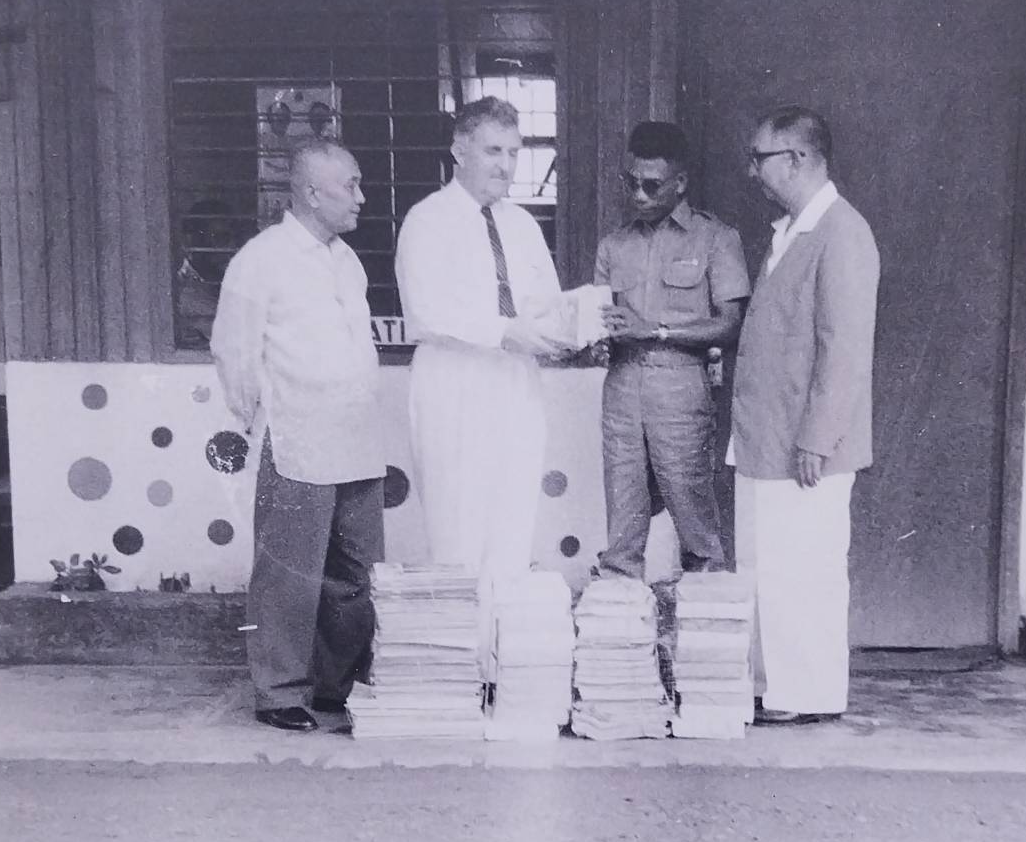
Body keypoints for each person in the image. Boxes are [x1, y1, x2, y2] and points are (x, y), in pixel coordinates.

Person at [211, 140, 385, 731]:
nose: (362, 197)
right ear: (312, 193)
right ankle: (280, 692)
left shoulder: (348, 262)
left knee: (354, 575)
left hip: (357, 440)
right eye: (351, 186)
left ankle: (337, 688)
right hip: (295, 438)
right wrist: (261, 419)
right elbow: (233, 350)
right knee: (288, 572)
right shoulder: (260, 260)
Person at [728, 106, 880, 725]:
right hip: (767, 438)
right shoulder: (792, 231)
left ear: (796, 158)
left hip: (804, 446)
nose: (752, 171)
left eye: (760, 158)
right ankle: (777, 687)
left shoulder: (842, 233)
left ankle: (807, 693)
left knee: (804, 571)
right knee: (768, 568)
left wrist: (818, 437)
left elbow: (844, 347)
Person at [394, 96, 573, 594]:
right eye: (494, 151)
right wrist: (505, 331)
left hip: (516, 384)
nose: (506, 165)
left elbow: (545, 302)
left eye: (514, 152)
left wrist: (568, 326)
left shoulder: (522, 226)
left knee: (512, 525)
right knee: (458, 529)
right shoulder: (427, 220)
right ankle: (463, 662)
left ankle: (502, 662)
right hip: (454, 383)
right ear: (460, 150)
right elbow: (426, 312)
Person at [593, 120, 749, 577]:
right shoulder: (614, 244)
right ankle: (624, 634)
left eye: (651, 185)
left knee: (697, 526)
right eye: (631, 182)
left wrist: (657, 331)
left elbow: (730, 324)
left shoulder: (716, 239)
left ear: (680, 183)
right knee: (621, 530)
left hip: (682, 391)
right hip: (620, 390)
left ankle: (708, 632)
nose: (638, 195)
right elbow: (602, 320)